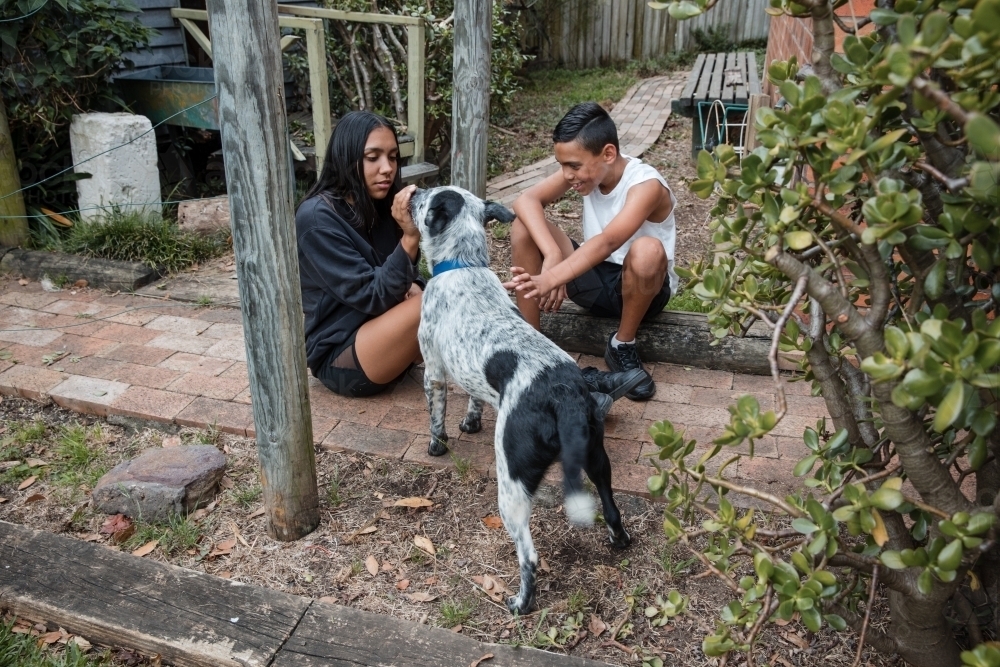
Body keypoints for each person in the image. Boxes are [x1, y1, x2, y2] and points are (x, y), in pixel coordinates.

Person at [505, 102, 678, 401]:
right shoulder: (589, 169)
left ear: (608, 154)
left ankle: (622, 344)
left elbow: (608, 241)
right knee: (523, 227)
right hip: (594, 279)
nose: (567, 175)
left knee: (647, 250)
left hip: (642, 291)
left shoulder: (646, 184)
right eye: (562, 166)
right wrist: (552, 254)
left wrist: (552, 277)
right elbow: (526, 200)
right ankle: (532, 345)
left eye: (573, 166)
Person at [296, 110, 423, 398]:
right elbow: (373, 295)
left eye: (392, 157)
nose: (387, 168)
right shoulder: (316, 218)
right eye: (373, 157)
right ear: (347, 158)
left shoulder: (383, 203)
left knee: (448, 291)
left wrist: (416, 284)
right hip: (342, 358)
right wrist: (410, 237)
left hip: (384, 337)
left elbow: (407, 276)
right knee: (440, 300)